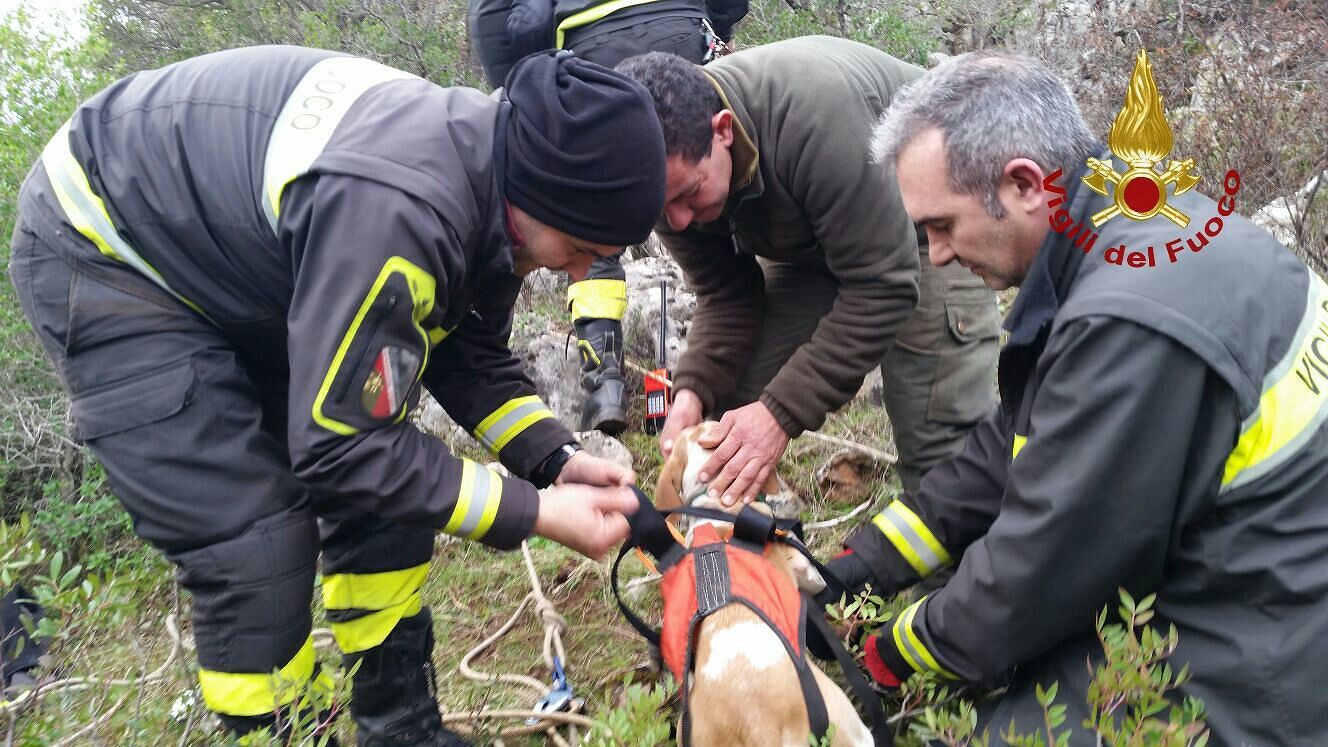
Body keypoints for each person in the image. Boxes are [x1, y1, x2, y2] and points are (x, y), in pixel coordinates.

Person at [8, 47, 664, 744]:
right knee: (253, 544)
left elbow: (466, 354)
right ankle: (288, 733)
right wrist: (533, 511)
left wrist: (555, 458)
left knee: (396, 481)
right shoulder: (402, 210)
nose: (573, 270)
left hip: (249, 260)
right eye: (577, 247)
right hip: (109, 248)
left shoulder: (501, 196)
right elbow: (342, 447)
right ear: (540, 195)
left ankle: (400, 725)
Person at [825, 50, 1328, 745]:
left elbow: (1039, 569)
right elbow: (1015, 444)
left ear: (1025, 184)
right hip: (1248, 561)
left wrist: (885, 655)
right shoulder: (1124, 224)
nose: (935, 253)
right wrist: (857, 569)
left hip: (1267, 647)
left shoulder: (1129, 317)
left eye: (941, 225)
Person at [617, 37, 1001, 506]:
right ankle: (750, 560)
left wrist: (778, 416)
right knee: (726, 422)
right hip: (812, 245)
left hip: (926, 233)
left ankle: (958, 573)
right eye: (662, 208)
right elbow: (726, 293)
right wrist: (692, 391)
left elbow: (883, 286)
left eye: (688, 194)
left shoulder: (811, 118)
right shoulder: (663, 181)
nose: (677, 221)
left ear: (722, 131)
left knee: (942, 448)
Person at [468, 0, 749, 436]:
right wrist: (716, 23)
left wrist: (522, 91)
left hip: (587, 52)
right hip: (678, 30)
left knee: (593, 224)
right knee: (699, 173)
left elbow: (491, 13)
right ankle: (739, 340)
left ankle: (605, 383)